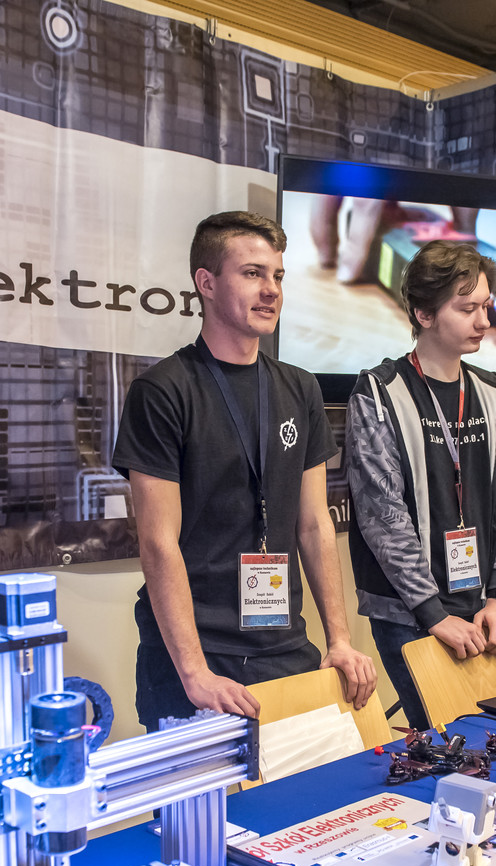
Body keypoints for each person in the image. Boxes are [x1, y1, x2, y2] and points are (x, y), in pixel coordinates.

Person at [112, 211, 376, 730]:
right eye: (252, 273)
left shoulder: (299, 387)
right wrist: (194, 673)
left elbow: (313, 524)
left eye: (277, 275)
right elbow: (158, 543)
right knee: (206, 791)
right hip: (198, 656)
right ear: (206, 283)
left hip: (283, 644)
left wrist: (340, 640)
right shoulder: (163, 391)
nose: (271, 290)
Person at [344, 240, 496, 731]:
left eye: (485, 306)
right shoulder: (379, 393)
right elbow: (382, 514)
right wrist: (433, 614)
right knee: (446, 742)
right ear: (423, 314)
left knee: (494, 741)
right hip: (409, 614)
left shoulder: (494, 392)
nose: (484, 322)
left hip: (481, 604)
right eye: (467, 309)